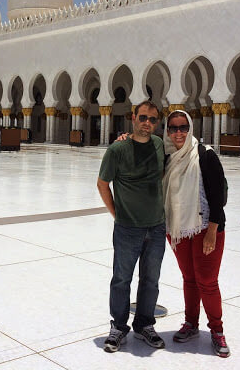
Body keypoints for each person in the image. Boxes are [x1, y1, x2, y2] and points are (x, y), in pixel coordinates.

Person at [97, 101, 166, 353]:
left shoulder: (159, 145)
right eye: (143, 117)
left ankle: (145, 324)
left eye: (153, 119)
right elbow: (102, 184)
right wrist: (117, 213)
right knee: (121, 279)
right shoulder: (117, 150)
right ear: (133, 118)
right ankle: (118, 326)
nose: (147, 123)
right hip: (127, 228)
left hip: (156, 227)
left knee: (151, 279)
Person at [163, 110, 230, 358]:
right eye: (173, 128)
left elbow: (218, 197)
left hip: (206, 229)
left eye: (183, 127)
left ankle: (217, 330)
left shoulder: (205, 155)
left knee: (208, 282)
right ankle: (191, 323)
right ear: (167, 131)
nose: (178, 133)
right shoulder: (168, 157)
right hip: (179, 230)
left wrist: (213, 230)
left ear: (190, 128)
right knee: (189, 278)